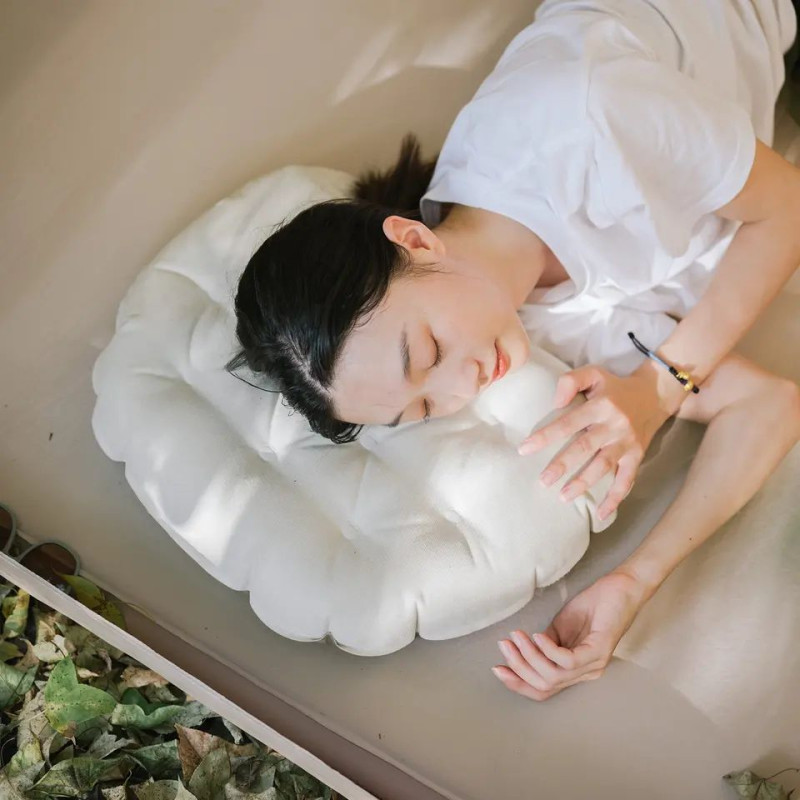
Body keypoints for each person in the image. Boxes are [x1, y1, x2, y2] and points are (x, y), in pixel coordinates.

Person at [228, 0, 800, 700]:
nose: (464, 385)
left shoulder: (588, 114)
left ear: (413, 239)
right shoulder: (529, 324)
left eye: (427, 352)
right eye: (424, 409)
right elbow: (766, 405)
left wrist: (661, 387)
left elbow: (789, 206)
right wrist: (632, 582)